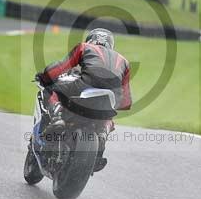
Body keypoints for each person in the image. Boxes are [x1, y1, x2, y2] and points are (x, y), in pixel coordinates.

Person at [35, 28, 132, 170]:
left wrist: (45, 77)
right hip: (110, 96)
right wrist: (119, 103)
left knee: (53, 90)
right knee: (109, 114)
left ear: (91, 39)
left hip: (85, 85)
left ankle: (57, 118)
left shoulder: (85, 47)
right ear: (111, 45)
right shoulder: (124, 61)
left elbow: (61, 67)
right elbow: (126, 101)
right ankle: (102, 134)